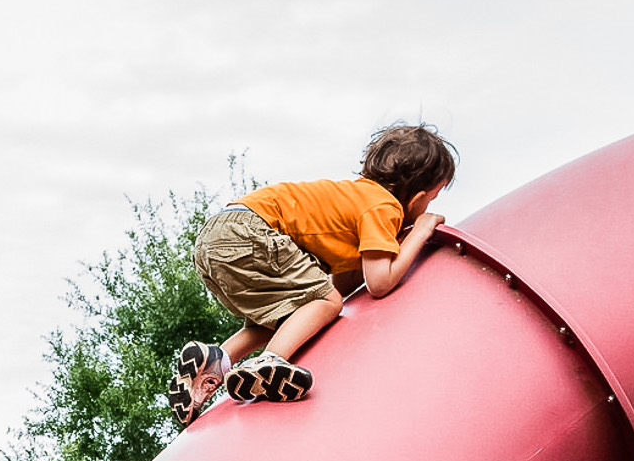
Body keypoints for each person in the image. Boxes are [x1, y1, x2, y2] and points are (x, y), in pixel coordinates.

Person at [168, 123, 457, 425]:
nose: (427, 207)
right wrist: (419, 233)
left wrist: (387, 250)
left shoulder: (354, 198)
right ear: (417, 197)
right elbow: (379, 283)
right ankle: (269, 362)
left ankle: (215, 363)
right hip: (250, 233)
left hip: (216, 239)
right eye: (430, 200)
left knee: (294, 314)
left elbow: (345, 283)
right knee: (327, 302)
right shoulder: (383, 206)